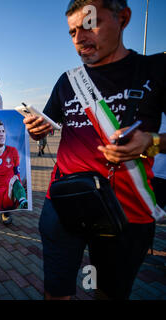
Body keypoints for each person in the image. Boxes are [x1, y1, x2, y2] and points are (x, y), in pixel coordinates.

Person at [23, 0, 165, 300]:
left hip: (126, 213)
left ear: (123, 18)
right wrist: (38, 129)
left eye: (90, 25)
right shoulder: (67, 81)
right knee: (56, 292)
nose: (80, 38)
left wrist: (152, 142)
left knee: (108, 293)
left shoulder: (156, 69)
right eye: (73, 31)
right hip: (62, 204)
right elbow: (47, 125)